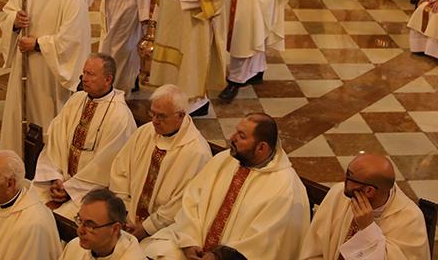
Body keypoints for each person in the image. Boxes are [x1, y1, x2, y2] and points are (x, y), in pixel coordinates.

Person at [142, 113, 310, 260]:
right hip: (194, 246)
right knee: (150, 251)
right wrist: (189, 241)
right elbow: (192, 201)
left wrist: (218, 256)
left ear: (261, 148)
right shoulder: (224, 160)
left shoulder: (284, 188)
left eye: (241, 136)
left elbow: (265, 243)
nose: (232, 137)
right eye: (236, 131)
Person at [0, 0, 92, 156]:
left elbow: (72, 40)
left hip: (50, 73)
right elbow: (8, 12)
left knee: (45, 119)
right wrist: (14, 21)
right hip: (24, 66)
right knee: (19, 113)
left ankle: (44, 164)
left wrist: (38, 44)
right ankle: (15, 160)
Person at [33, 55, 136, 218]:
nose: (84, 79)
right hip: (60, 181)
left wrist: (70, 189)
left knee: (59, 219)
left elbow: (104, 167)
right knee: (30, 205)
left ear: (108, 79)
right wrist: (56, 177)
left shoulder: (120, 116)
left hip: (91, 193)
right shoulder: (76, 99)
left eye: (91, 74)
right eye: (84, 73)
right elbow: (56, 141)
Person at [109, 85, 212, 240]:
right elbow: (120, 169)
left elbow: (183, 202)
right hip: (127, 216)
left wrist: (147, 227)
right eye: (153, 114)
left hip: (165, 232)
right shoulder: (145, 132)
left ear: (181, 115)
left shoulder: (197, 153)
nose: (154, 121)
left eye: (161, 116)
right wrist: (124, 210)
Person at [298, 154, 429, 260]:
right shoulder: (338, 194)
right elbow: (313, 249)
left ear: (369, 191)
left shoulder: (410, 219)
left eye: (349, 176)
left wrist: (368, 230)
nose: (343, 180)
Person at [60, 189, 146, 260]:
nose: (80, 231)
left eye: (90, 225)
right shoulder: (75, 247)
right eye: (80, 220)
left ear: (115, 229)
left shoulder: (132, 257)